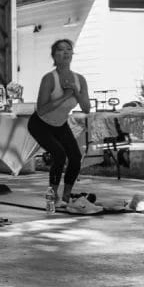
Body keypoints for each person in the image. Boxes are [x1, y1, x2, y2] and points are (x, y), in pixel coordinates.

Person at [27, 39, 91, 211]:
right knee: (59, 154)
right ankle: (53, 197)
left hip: (60, 125)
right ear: (54, 56)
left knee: (76, 158)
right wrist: (64, 96)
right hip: (40, 124)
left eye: (69, 49)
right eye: (61, 50)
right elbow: (41, 109)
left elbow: (86, 108)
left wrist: (75, 92)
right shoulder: (49, 78)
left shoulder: (79, 79)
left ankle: (66, 196)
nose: (66, 53)